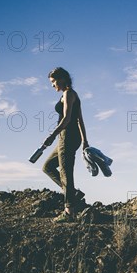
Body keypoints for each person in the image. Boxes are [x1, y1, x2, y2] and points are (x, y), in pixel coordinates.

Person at [42, 67, 89, 223]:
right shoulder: (73, 94)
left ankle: (69, 211)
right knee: (47, 167)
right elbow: (80, 120)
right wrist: (84, 141)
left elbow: (68, 118)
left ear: (62, 78)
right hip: (70, 137)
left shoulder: (68, 94)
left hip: (67, 136)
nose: (52, 85)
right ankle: (73, 194)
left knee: (65, 171)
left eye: (54, 81)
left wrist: (52, 135)